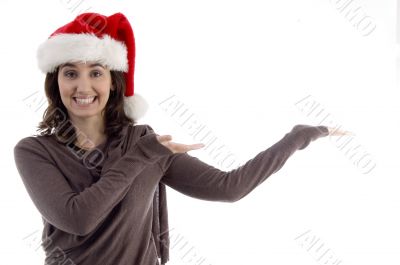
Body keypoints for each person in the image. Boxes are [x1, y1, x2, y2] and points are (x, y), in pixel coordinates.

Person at [13, 12, 351, 265]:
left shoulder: (144, 144)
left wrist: (298, 137)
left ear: (114, 82)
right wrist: (143, 156)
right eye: (71, 73)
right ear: (55, 82)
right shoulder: (35, 151)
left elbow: (228, 188)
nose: (83, 87)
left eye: (96, 73)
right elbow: (79, 219)